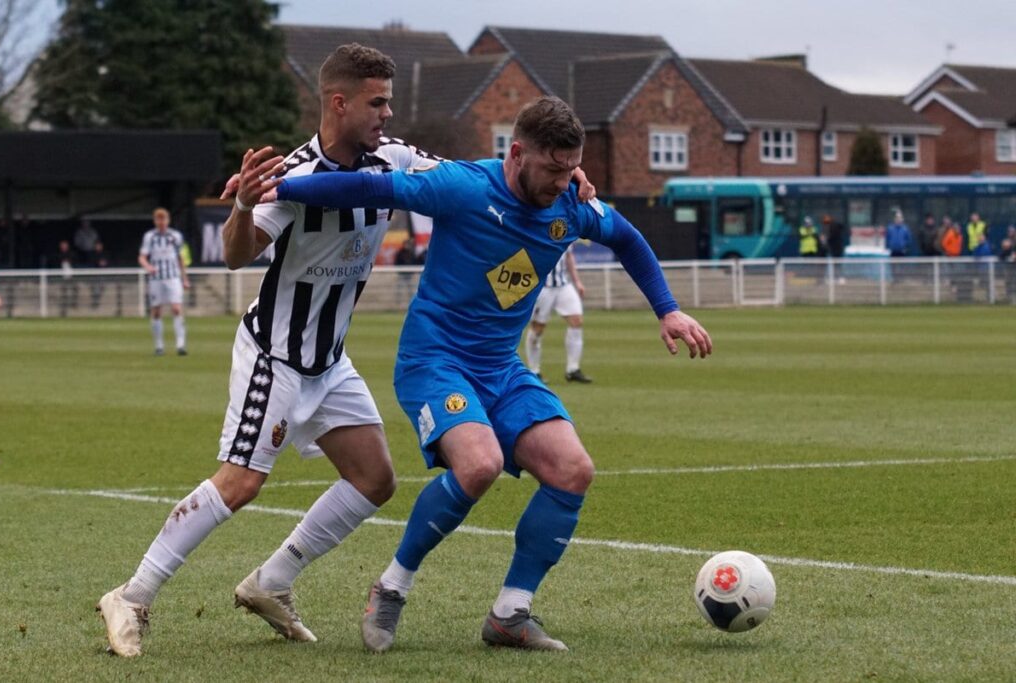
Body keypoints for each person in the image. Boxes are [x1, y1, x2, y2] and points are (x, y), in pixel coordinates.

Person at [94, 44, 597, 658]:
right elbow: (234, 253)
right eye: (377, 101)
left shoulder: (395, 159)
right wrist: (246, 204)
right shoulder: (295, 175)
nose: (388, 114)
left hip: (329, 361)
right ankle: (132, 595)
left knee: (374, 479)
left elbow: (476, 178)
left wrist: (560, 172)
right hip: (275, 355)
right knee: (241, 482)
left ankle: (270, 583)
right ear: (340, 102)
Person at [261, 95, 712, 653]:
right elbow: (370, 188)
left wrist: (666, 308)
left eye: (572, 168)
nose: (563, 181)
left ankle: (510, 614)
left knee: (573, 470)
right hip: (435, 361)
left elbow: (627, 238)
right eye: (553, 168)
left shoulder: (571, 202)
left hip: (500, 367)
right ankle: (392, 586)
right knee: (479, 465)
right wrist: (280, 188)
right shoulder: (463, 187)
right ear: (517, 153)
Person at [525, 243, 591, 383]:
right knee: (537, 329)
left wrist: (577, 281)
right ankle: (534, 371)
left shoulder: (565, 228)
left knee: (576, 321)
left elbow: (569, 256)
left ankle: (573, 369)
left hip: (563, 285)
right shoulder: (537, 231)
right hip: (543, 287)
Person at [138, 208, 190, 355]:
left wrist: (184, 279)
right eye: (158, 219)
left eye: (164, 219)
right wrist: (148, 266)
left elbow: (181, 259)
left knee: (176, 309)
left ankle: (180, 345)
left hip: (173, 277)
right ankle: (159, 346)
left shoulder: (175, 236)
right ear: (155, 221)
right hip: (156, 279)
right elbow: (142, 257)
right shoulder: (150, 237)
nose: (161, 222)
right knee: (156, 311)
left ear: (168, 220)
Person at [393, 236, 422, 306]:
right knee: (400, 288)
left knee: (410, 289)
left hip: (409, 274)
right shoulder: (400, 253)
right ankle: (398, 302)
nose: (407, 245)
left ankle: (411, 301)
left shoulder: (411, 253)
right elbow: (397, 262)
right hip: (402, 274)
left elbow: (414, 262)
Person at [54, 239, 78, 314]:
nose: (64, 247)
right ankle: (63, 309)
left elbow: (75, 263)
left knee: (75, 288)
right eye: (62, 245)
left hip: (71, 276)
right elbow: (55, 265)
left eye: (65, 245)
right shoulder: (57, 255)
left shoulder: (72, 254)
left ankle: (74, 304)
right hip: (61, 277)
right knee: (64, 291)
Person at [1000, 225, 1016, 303]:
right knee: (1009, 281)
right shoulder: (1007, 242)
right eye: (1009, 232)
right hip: (1010, 267)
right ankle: (1010, 297)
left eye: (1012, 231)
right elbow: (1002, 256)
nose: (1011, 233)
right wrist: (1006, 248)